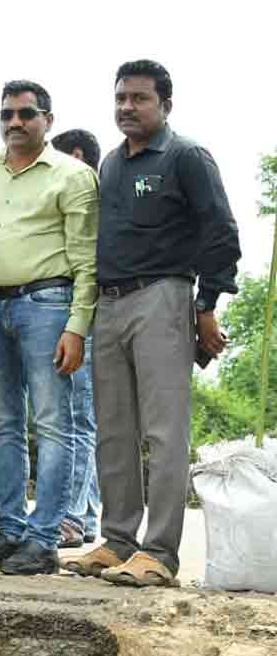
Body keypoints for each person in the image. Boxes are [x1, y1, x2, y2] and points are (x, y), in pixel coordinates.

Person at [66, 60, 240, 588]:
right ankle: (117, 540)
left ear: (165, 104)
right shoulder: (112, 166)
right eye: (120, 98)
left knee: (164, 431)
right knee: (113, 430)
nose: (127, 107)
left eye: (139, 98)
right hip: (110, 304)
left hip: (164, 297)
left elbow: (221, 233)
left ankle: (159, 552)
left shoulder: (186, 157)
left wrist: (205, 306)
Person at [0, 81, 98, 576]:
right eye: (6, 114)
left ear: (48, 120)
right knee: (0, 423)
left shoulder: (73, 175)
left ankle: (44, 538)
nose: (15, 122)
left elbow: (87, 259)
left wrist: (78, 326)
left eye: (25, 114)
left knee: (53, 423)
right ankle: (11, 528)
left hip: (48, 305)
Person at [52, 128, 104, 545]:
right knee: (80, 416)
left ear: (75, 156)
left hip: (87, 319)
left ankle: (71, 514)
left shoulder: (93, 200)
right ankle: (84, 515)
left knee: (77, 416)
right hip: (75, 318)